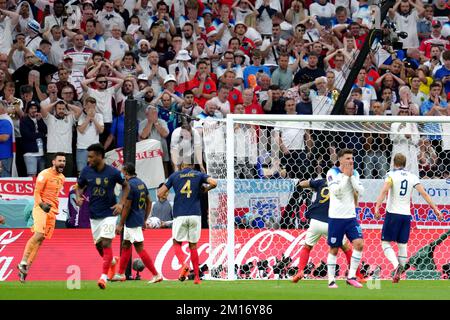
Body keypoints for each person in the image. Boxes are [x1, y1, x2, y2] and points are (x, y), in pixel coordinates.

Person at [374, 153, 443, 283]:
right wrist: (436, 209)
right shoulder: (412, 177)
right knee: (402, 245)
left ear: (394, 163)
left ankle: (396, 266)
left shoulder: (391, 175)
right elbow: (424, 194)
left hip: (393, 214)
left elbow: (384, 191)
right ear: (405, 164)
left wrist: (377, 206)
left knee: (385, 243)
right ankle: (399, 272)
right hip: (406, 216)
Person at [75, 143, 130, 289]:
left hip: (109, 213)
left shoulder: (112, 172)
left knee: (106, 243)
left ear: (100, 156)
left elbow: (126, 186)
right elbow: (79, 187)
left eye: (91, 157)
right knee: (100, 247)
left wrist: (121, 204)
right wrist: (78, 197)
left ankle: (103, 277)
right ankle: (112, 262)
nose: (89, 159)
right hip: (94, 215)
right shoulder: (86, 171)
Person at [292, 178, 365, 283]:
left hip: (315, 221)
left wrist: (300, 184)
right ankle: (358, 275)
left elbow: (304, 184)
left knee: (307, 247)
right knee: (347, 249)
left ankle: (299, 271)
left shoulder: (322, 181)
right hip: (331, 222)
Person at [157, 161, 217, 284]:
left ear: (181, 165)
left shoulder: (175, 175)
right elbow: (214, 182)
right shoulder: (199, 175)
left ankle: (184, 264)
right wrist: (206, 189)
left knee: (176, 242)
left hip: (180, 214)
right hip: (195, 214)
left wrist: (170, 191)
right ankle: (196, 278)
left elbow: (160, 193)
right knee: (193, 245)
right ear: (192, 165)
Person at [17, 152, 66, 282]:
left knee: (41, 240)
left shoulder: (62, 177)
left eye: (64, 161)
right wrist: (41, 204)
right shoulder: (44, 175)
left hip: (52, 211)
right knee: (38, 234)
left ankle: (26, 268)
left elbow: (54, 195)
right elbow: (37, 192)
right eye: (60, 160)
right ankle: (23, 261)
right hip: (40, 208)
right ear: (53, 162)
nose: (62, 163)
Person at [112, 163, 163, 284]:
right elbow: (149, 202)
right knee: (126, 244)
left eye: (122, 172)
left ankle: (156, 274)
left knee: (139, 248)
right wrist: (144, 219)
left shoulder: (129, 185)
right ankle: (120, 273)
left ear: (125, 173)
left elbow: (127, 206)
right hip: (137, 219)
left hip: (132, 221)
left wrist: (120, 224)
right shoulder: (141, 183)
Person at [326, 148, 365, 289]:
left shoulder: (355, 173)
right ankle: (331, 280)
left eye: (352, 158)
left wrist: (351, 177)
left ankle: (352, 277)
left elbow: (361, 191)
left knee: (359, 244)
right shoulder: (332, 173)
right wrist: (345, 176)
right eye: (348, 158)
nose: (351, 161)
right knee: (334, 249)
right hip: (336, 217)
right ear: (340, 159)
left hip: (351, 217)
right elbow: (336, 191)